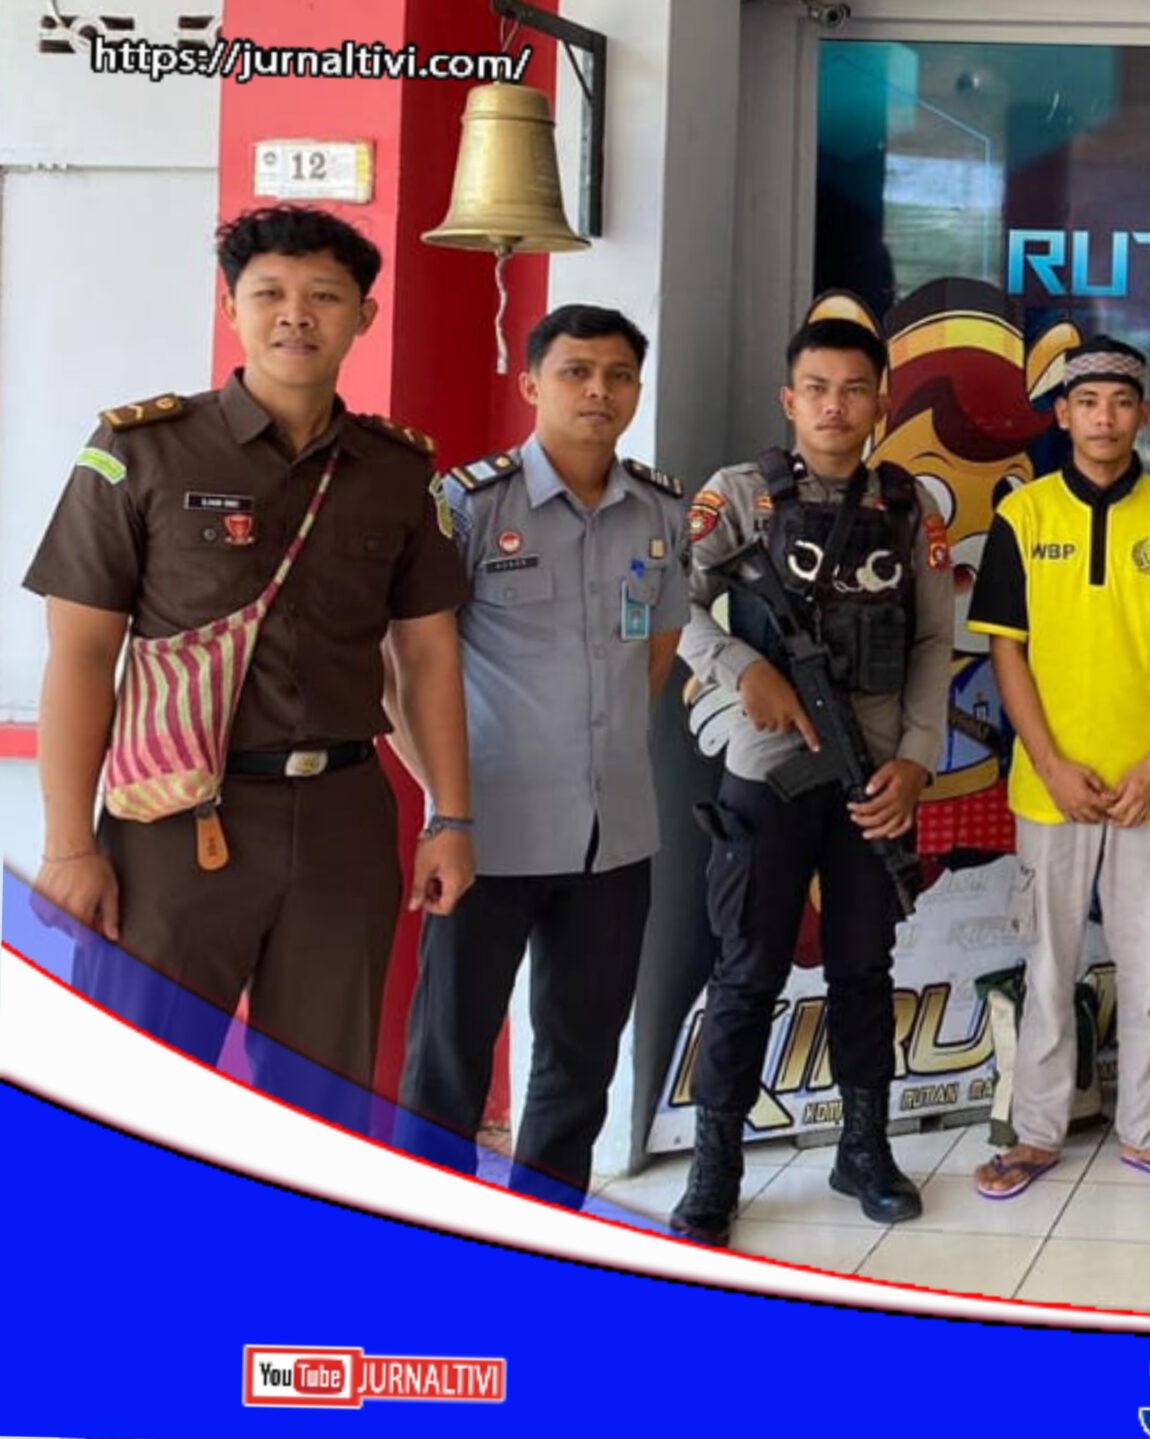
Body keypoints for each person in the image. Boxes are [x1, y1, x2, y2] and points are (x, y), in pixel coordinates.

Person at [23, 205, 472, 1131]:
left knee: (325, 1101)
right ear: (231, 307)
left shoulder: (397, 471)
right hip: (173, 825)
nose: (296, 315)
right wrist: (70, 845)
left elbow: (427, 655)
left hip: (343, 818)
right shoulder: (140, 451)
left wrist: (450, 816)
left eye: (324, 296)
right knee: (138, 1089)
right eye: (270, 293)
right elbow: (82, 655)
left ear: (364, 316)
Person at [390, 305, 689, 1204]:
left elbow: (655, 653)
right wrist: (445, 802)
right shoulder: (469, 505)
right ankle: (423, 1229)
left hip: (614, 839)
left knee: (580, 1061)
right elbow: (400, 669)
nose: (599, 391)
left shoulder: (660, 509)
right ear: (530, 384)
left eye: (618, 375)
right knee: (448, 1057)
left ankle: (543, 1228)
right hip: (488, 835)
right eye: (575, 372)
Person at [668, 316, 952, 1242]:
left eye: (855, 389)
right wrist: (739, 667)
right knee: (747, 969)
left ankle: (864, 1147)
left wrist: (917, 757)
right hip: (769, 766)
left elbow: (932, 638)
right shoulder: (738, 495)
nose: (836, 407)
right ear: (791, 400)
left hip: (874, 771)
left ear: (880, 403)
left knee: (865, 964)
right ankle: (716, 1163)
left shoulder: (909, 504)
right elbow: (669, 596)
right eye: (818, 389)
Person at [964, 336, 1150, 1199]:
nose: (1104, 418)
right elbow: (1007, 651)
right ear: (1063, 414)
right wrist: (1049, 762)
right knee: (1049, 964)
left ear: (1143, 414)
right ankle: (1037, 1132)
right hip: (1052, 788)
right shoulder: (1025, 515)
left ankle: (1146, 1132)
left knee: (1148, 969)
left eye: (1120, 402)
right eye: (1087, 403)